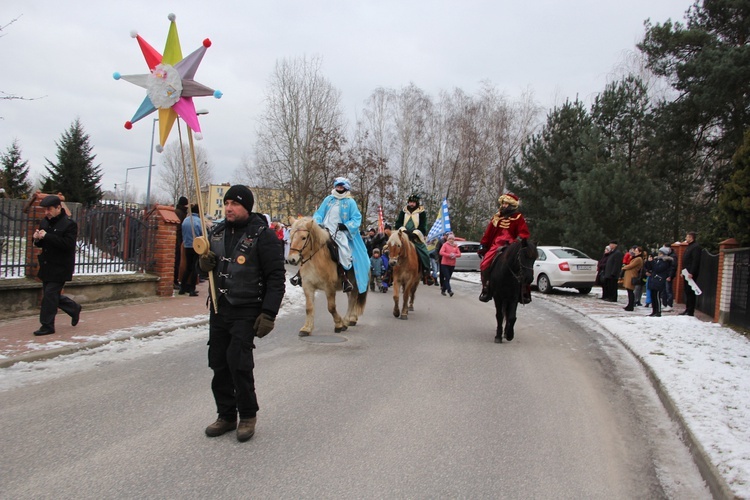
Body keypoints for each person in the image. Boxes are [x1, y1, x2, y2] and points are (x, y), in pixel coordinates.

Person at [198, 185, 286, 442]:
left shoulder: (263, 236)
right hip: (219, 306)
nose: (228, 208)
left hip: (247, 308)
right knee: (218, 362)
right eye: (226, 203)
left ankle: (247, 415)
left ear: (246, 207)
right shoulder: (216, 233)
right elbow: (203, 270)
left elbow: (276, 277)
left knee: (239, 362)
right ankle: (226, 415)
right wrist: (202, 264)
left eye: (234, 204)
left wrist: (269, 313)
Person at [32, 195, 82, 336]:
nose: (46, 212)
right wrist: (36, 239)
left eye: (49, 209)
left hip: (61, 267)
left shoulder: (69, 224)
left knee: (49, 296)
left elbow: (68, 244)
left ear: (58, 208)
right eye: (45, 210)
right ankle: (74, 308)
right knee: (51, 295)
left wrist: (47, 236)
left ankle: (47, 326)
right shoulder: (45, 222)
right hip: (47, 265)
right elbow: (42, 243)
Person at [312, 177, 370, 294]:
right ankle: (301, 274)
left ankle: (344, 279)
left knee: (344, 251)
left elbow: (356, 217)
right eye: (338, 186)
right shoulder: (328, 199)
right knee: (309, 245)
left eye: (341, 186)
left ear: (345, 188)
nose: (339, 188)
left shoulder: (350, 202)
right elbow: (319, 213)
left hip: (340, 232)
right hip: (325, 229)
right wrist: (318, 222)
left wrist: (347, 226)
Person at [477, 192, 530, 302]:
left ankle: (525, 291)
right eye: (503, 203)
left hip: (513, 244)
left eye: (506, 203)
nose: (503, 205)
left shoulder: (518, 217)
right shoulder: (496, 217)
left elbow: (523, 232)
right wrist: (483, 245)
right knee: (485, 263)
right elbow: (488, 233)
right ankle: (486, 287)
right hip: (497, 244)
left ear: (511, 205)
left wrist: (518, 240)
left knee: (524, 265)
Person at [395, 193, 434, 285]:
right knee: (392, 249)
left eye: (413, 202)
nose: (411, 204)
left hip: (415, 237)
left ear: (416, 203)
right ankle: (388, 273)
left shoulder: (422, 213)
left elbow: (423, 226)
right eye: (410, 202)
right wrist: (403, 231)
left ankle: (426, 273)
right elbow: (398, 223)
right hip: (403, 236)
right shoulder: (403, 212)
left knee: (425, 253)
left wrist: (415, 233)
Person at [179, 204, 202, 296]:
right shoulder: (199, 221)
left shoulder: (185, 220)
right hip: (196, 246)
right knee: (194, 268)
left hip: (187, 245)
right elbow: (202, 234)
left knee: (188, 267)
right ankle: (192, 289)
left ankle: (182, 288)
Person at [645, 246, 672, 317]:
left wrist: (652, 262)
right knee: (653, 296)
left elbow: (658, 269)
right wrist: (649, 262)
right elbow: (651, 267)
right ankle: (654, 311)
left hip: (659, 280)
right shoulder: (657, 260)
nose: (659, 254)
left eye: (660, 253)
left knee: (657, 296)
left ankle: (658, 311)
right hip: (654, 279)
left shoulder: (665, 261)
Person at [680, 232, 702, 316]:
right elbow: (686, 261)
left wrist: (692, 272)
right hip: (686, 272)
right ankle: (687, 309)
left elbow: (695, 261)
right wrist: (683, 272)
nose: (686, 238)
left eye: (687, 237)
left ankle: (690, 310)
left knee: (690, 292)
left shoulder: (696, 247)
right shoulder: (689, 247)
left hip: (690, 273)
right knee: (687, 291)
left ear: (691, 237)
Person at [621, 246, 644, 311]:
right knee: (629, 291)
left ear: (640, 252)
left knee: (630, 291)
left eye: (636, 251)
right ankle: (629, 305)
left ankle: (631, 305)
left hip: (632, 275)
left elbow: (631, 265)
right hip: (629, 275)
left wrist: (624, 267)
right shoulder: (635, 258)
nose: (635, 252)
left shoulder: (638, 259)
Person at [439, 233, 461, 297]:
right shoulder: (445, 245)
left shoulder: (455, 246)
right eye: (450, 239)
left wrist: (454, 255)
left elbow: (459, 254)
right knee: (447, 277)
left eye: (452, 239)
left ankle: (443, 290)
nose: (451, 240)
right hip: (445, 264)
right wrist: (449, 255)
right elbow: (441, 252)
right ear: (448, 239)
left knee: (448, 279)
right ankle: (449, 291)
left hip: (452, 264)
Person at [173, 196, 188, 289]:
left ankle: (175, 280)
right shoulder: (180, 213)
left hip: (177, 240)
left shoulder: (178, 211)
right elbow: (179, 229)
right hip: (178, 241)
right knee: (177, 261)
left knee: (177, 261)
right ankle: (174, 281)